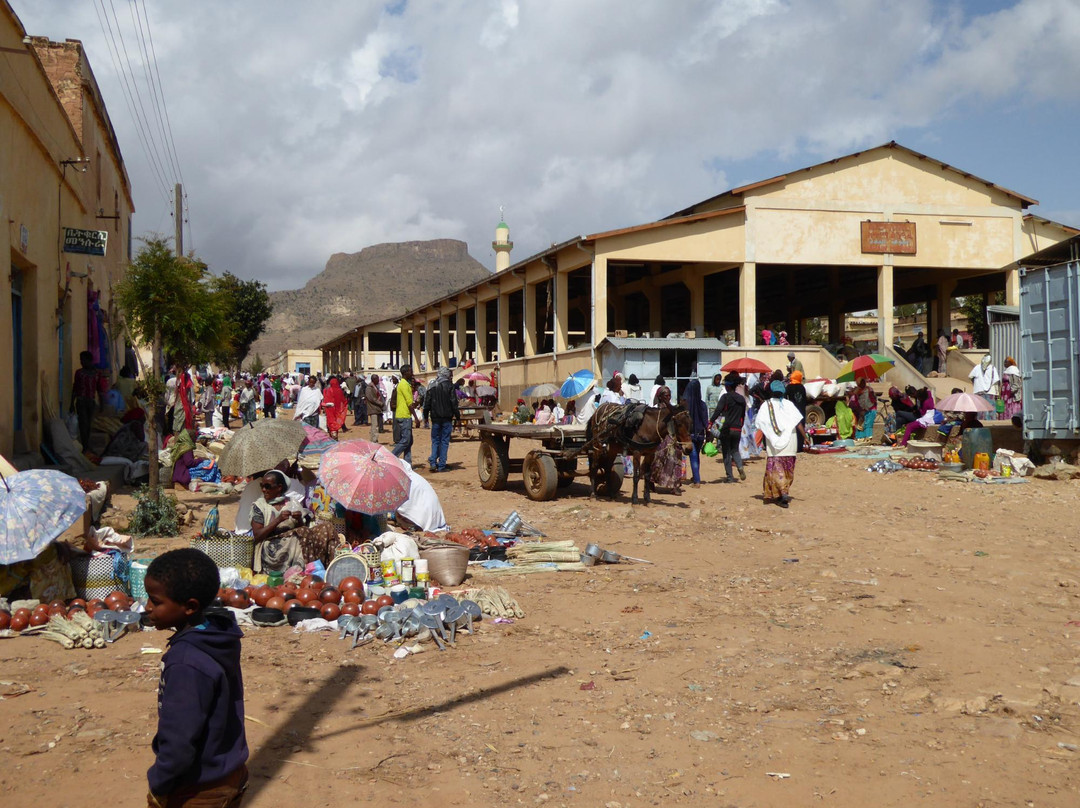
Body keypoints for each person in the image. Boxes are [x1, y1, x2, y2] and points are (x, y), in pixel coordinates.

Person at [143, 548, 248, 808]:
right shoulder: (218, 636)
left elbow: (179, 739)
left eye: (155, 601)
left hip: (198, 789)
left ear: (190, 607)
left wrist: (159, 782)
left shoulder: (186, 662)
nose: (147, 607)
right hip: (230, 773)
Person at [249, 470, 341, 572]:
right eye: (262, 486)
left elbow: (304, 529)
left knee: (327, 527)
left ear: (279, 487)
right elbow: (257, 535)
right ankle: (308, 571)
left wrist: (299, 519)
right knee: (302, 534)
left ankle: (333, 568)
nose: (263, 489)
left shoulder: (291, 502)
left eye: (267, 486)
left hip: (295, 539)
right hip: (272, 546)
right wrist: (278, 520)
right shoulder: (259, 506)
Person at [754, 385, 808, 508]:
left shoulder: (766, 406)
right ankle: (783, 492)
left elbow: (760, 424)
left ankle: (782, 494)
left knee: (776, 470)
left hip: (774, 445)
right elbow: (798, 422)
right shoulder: (789, 405)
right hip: (790, 442)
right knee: (787, 470)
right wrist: (805, 436)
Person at [712, 372, 746, 483]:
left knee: (726, 452)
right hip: (738, 428)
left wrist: (710, 421)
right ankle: (740, 467)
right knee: (735, 450)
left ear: (728, 386)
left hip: (727, 428)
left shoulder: (725, 397)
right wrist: (740, 426)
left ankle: (730, 477)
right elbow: (743, 416)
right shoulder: (741, 399)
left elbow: (718, 411)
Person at [423, 367, 459, 472]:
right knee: (444, 441)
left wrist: (425, 416)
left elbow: (427, 403)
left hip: (435, 418)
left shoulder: (432, 385)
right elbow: (453, 402)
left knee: (435, 441)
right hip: (447, 418)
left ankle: (433, 462)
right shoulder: (449, 386)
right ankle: (442, 465)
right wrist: (457, 416)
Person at [650, 385, 684, 494]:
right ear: (660, 397)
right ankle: (651, 481)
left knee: (677, 459)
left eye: (669, 395)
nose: (668, 397)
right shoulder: (656, 409)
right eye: (665, 395)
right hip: (660, 438)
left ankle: (675, 485)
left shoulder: (672, 408)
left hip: (672, 437)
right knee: (657, 460)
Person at [70, 350, 100, 450]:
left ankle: (86, 445)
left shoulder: (96, 373)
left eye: (83, 360)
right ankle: (85, 446)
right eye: (81, 360)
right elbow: (75, 388)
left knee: (89, 424)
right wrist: (72, 403)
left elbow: (99, 389)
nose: (81, 362)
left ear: (89, 360)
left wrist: (102, 404)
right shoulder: (79, 373)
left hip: (91, 402)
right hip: (81, 401)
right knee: (83, 423)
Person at [682, 376, 708, 488]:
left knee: (693, 457)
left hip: (690, 434)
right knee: (696, 455)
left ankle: (697, 481)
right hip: (701, 433)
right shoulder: (702, 404)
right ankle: (695, 475)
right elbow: (705, 420)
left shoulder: (686, 405)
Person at [390, 366, 419, 465]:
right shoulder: (404, 385)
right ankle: (391, 457)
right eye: (411, 371)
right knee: (405, 440)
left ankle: (408, 463)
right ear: (406, 372)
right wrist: (416, 418)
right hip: (404, 416)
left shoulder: (405, 384)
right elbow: (409, 403)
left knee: (409, 441)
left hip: (404, 414)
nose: (412, 373)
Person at [969, 354, 1001, 419]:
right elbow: (997, 381)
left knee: (980, 407)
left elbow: (970, 376)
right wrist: (998, 392)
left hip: (979, 390)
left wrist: (975, 384)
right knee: (990, 406)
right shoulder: (992, 368)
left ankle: (981, 420)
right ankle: (991, 421)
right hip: (990, 391)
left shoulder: (977, 367)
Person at [365, 374, 385, 441]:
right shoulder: (369, 388)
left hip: (376, 408)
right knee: (374, 425)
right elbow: (372, 399)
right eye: (377, 379)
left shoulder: (375, 387)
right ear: (373, 379)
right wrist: (380, 403)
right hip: (373, 408)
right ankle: (374, 439)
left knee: (376, 425)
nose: (378, 381)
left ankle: (375, 439)